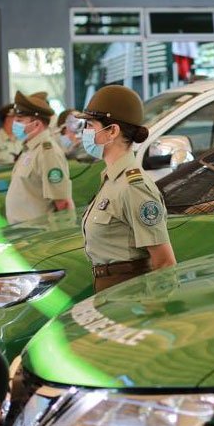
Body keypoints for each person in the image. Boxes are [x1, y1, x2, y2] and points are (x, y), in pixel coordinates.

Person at [76, 85, 176, 292]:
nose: (84, 132)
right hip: (111, 291)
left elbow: (164, 262)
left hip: (129, 297)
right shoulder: (112, 180)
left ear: (112, 131)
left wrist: (155, 312)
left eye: (89, 125)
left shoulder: (134, 187)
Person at [5, 91, 73, 225]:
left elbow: (62, 203)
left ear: (36, 125)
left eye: (19, 121)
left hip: (37, 235)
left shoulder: (47, 152)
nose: (15, 125)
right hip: (24, 234)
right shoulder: (30, 149)